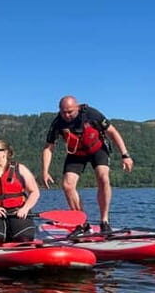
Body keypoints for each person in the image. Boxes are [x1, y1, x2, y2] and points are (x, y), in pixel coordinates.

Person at [40, 96, 134, 233]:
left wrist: (125, 155)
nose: (67, 115)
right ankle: (82, 223)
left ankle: (104, 221)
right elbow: (49, 147)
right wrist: (45, 171)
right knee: (67, 185)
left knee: (103, 178)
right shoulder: (58, 122)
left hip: (98, 150)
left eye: (70, 112)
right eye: (63, 112)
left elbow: (112, 132)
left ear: (77, 107)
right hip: (76, 154)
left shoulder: (91, 114)